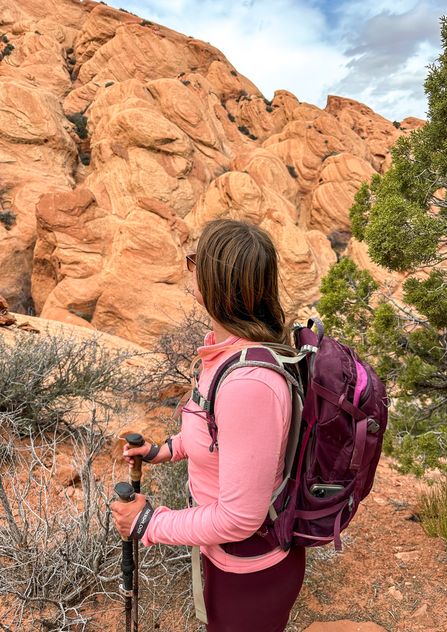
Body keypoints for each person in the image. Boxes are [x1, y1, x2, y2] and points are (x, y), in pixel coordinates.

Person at [111, 218, 305, 632]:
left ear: (217, 283)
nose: (191, 269)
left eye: (196, 261)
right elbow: (216, 432)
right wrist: (165, 450)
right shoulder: (225, 350)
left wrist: (148, 524)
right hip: (225, 554)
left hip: (251, 568)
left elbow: (239, 518)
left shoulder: (249, 384)